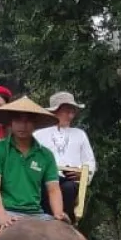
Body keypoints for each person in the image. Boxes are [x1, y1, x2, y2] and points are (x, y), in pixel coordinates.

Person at [0, 97, 67, 240]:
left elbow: (53, 190)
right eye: (18, 120)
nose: (23, 126)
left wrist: (58, 214)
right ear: (11, 122)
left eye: (28, 121)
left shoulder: (46, 155)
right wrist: (2, 216)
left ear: (35, 123)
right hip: (5, 210)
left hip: (36, 214)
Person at [33, 91, 96, 219]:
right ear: (55, 111)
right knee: (45, 187)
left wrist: (82, 174)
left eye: (72, 111)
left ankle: (62, 219)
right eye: (66, 111)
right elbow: (32, 160)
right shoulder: (38, 135)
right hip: (45, 179)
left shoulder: (80, 134)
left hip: (70, 180)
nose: (70, 115)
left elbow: (89, 161)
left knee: (68, 188)